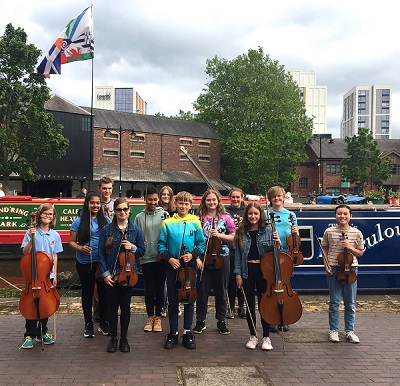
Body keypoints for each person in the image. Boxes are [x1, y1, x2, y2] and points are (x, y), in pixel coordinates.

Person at [158, 191, 205, 349]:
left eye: (186, 204)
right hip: (173, 266)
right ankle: (173, 333)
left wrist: (192, 255)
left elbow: (201, 244)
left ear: (191, 206)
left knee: (189, 299)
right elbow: (161, 245)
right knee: (172, 301)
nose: (183, 206)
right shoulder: (167, 223)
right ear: (175, 204)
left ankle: (187, 332)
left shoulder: (195, 222)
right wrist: (169, 258)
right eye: (180, 203)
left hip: (189, 268)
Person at [98, 198, 145, 353]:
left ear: (129, 210)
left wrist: (133, 247)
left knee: (125, 307)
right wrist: (105, 274)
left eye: (125, 209)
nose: (122, 212)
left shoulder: (136, 230)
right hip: (112, 275)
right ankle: (113, 339)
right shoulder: (106, 230)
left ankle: (124, 338)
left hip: (129, 275)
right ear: (115, 211)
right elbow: (100, 254)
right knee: (112, 308)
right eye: (119, 210)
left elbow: (142, 252)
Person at [234, 202, 280, 350]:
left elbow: (276, 254)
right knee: (249, 306)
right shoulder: (241, 232)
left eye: (256, 213)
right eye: (250, 213)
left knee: (264, 305)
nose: (253, 216)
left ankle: (267, 337)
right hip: (247, 269)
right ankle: (253, 335)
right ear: (246, 215)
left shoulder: (268, 230)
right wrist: (238, 274)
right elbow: (237, 255)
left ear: (260, 215)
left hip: (264, 271)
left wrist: (278, 244)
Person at [193, 189, 236, 335]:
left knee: (221, 291)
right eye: (208, 200)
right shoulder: (199, 218)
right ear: (204, 202)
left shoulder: (226, 218)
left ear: (218, 201)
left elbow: (234, 237)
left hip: (222, 257)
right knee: (202, 292)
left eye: (214, 200)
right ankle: (200, 321)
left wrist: (219, 235)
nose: (211, 202)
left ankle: (221, 321)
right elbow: (193, 240)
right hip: (204, 258)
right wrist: (197, 257)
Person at [20, 204, 63, 349]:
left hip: (47, 276)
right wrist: (32, 238)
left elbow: (55, 255)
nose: (48, 216)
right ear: (39, 216)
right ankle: (29, 335)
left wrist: (55, 274)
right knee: (31, 304)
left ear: (53, 217)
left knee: (46, 303)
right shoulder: (31, 231)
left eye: (50, 214)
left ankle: (42, 332)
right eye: (45, 213)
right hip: (33, 276)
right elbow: (25, 253)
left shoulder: (55, 235)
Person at [69, 191, 110, 338]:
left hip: (101, 262)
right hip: (84, 262)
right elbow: (71, 242)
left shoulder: (106, 220)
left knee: (103, 293)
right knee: (87, 293)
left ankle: (104, 323)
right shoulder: (78, 221)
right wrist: (80, 248)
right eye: (92, 203)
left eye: (98, 203)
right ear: (87, 204)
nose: (95, 205)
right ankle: (88, 324)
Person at [322, 204, 364, 344]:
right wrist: (326, 265)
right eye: (339, 214)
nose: (342, 216)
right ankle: (333, 330)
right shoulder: (329, 231)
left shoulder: (357, 233)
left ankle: (349, 331)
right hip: (334, 268)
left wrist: (350, 247)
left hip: (352, 269)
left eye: (345, 214)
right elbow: (324, 249)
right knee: (334, 302)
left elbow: (360, 253)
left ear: (350, 216)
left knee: (350, 303)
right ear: (335, 216)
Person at [266, 185, 299, 332]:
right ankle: (272, 318)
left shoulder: (291, 215)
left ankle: (284, 319)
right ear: (270, 199)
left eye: (279, 196)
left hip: (286, 253)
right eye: (274, 196)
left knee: (284, 287)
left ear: (283, 197)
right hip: (270, 253)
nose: (277, 198)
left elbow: (296, 239)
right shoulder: (266, 214)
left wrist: (294, 232)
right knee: (272, 287)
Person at [134, 186, 167, 332]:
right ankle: (149, 317)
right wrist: (140, 243)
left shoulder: (165, 214)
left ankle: (158, 316)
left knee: (160, 289)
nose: (152, 202)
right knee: (149, 289)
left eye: (155, 199)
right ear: (144, 200)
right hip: (146, 258)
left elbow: (169, 236)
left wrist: (163, 252)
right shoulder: (139, 217)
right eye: (149, 200)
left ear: (158, 199)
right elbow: (135, 236)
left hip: (160, 258)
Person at [225, 188, 246, 319]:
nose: (235, 199)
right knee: (231, 281)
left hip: (244, 250)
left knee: (243, 279)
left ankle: (242, 307)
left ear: (242, 197)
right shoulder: (226, 212)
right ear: (230, 198)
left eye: (238, 197)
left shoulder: (246, 210)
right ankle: (231, 307)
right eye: (233, 197)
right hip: (231, 250)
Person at [158, 185, 178, 318]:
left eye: (168, 195)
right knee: (162, 281)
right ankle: (162, 306)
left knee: (174, 280)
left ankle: (175, 305)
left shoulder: (175, 212)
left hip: (173, 250)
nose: (165, 196)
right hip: (160, 249)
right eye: (163, 194)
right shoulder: (156, 210)